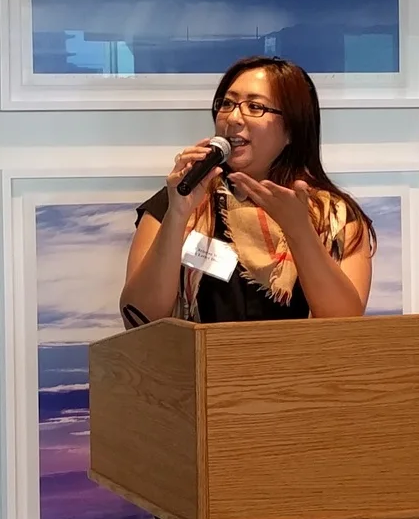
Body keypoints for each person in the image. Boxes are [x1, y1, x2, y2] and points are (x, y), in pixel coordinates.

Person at [119, 56, 374, 327]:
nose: (233, 118)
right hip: (198, 356)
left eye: (255, 107)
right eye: (227, 104)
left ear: (292, 129)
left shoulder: (335, 216)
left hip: (297, 357)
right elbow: (139, 319)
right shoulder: (179, 199)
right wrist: (177, 216)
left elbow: (346, 326)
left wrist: (299, 230)